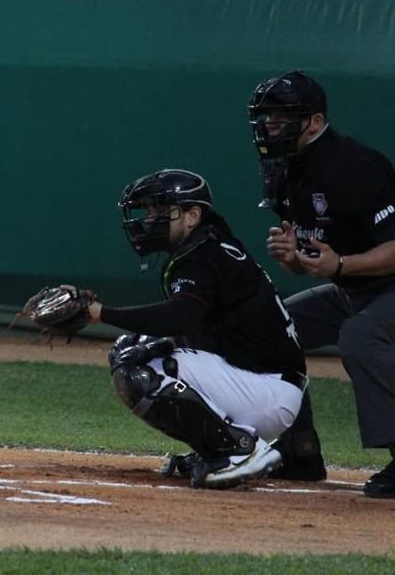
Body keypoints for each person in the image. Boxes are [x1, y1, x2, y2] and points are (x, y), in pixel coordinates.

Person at [74, 169, 307, 488]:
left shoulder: (204, 254)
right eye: (150, 211)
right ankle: (218, 446)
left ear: (192, 215)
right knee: (138, 346)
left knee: (136, 368)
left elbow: (179, 317)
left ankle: (236, 451)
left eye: (161, 210)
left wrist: (103, 313)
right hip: (260, 385)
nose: (151, 219)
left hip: (264, 391)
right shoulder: (209, 247)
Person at [251, 70, 395, 499]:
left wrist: (341, 265)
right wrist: (294, 258)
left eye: (281, 117)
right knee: (267, 327)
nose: (270, 127)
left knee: (361, 335)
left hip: (383, 287)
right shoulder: (286, 169)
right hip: (354, 288)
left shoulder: (355, 166)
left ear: (314, 121)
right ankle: (299, 452)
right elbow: (313, 256)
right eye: (266, 117)